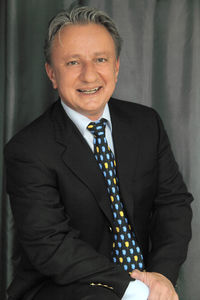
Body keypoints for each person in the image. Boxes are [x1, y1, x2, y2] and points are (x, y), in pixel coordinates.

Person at [4, 6, 193, 300]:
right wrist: (135, 290)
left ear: (116, 66)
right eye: (73, 63)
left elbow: (174, 204)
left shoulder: (146, 124)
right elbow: (50, 243)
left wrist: (161, 278)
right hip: (64, 288)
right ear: (51, 74)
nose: (89, 75)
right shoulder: (27, 150)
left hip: (146, 281)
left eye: (100, 59)